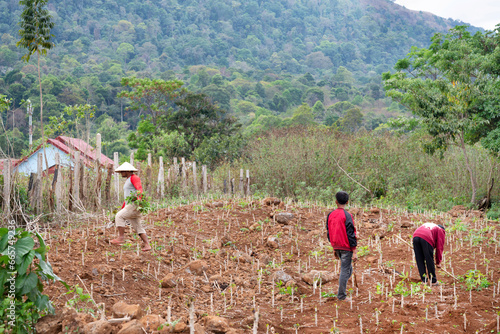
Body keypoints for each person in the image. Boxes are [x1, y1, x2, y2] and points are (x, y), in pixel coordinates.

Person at [111, 162, 151, 252]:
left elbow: (139, 189)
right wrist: (123, 208)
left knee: (119, 216)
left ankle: (120, 238)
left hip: (134, 204)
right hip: (130, 204)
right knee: (137, 225)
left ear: (128, 171)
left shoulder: (134, 178)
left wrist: (139, 201)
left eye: (122, 171)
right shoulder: (129, 179)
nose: (121, 173)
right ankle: (147, 245)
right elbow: (128, 197)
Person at [326, 191, 357, 301]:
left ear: (336, 202)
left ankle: (341, 284)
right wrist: (354, 250)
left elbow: (329, 231)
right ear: (347, 202)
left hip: (337, 245)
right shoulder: (347, 215)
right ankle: (341, 296)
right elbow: (351, 234)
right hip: (346, 247)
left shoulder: (330, 215)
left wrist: (334, 247)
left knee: (348, 269)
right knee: (345, 270)